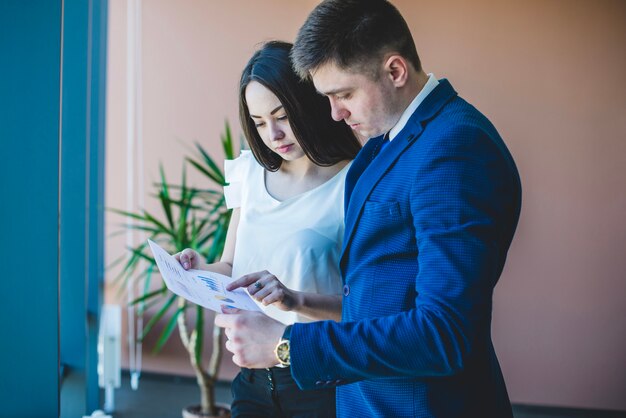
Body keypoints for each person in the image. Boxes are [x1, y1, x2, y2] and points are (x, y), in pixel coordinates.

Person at [215, 1, 522, 417]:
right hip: (365, 400)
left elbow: (445, 333)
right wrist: (298, 299)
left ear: (395, 71)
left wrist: (285, 345)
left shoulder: (455, 149)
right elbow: (377, 294)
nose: (335, 114)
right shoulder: (387, 142)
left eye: (343, 94)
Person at [176, 40, 361, 417]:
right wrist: (196, 270)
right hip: (252, 382)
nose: (273, 135)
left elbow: (368, 308)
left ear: (308, 105)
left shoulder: (354, 182)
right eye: (259, 123)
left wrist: (294, 298)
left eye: (281, 116)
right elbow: (230, 268)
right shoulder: (251, 175)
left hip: (320, 382)